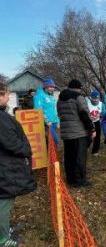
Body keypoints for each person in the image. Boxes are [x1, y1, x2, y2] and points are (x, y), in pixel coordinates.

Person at [0, 82, 37, 247]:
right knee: (4, 202)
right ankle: (3, 239)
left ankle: (4, 229)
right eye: (7, 94)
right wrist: (26, 149)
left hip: (6, 166)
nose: (9, 97)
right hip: (6, 168)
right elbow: (10, 142)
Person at [57, 79, 96, 187]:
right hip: (78, 132)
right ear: (78, 88)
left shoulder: (60, 99)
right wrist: (91, 129)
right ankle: (80, 181)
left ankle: (71, 179)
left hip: (66, 132)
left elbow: (59, 113)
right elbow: (84, 114)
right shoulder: (79, 97)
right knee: (80, 157)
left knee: (69, 156)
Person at [33, 78, 60, 145]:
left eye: (53, 87)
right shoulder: (39, 95)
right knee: (54, 141)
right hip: (46, 123)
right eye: (50, 87)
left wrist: (57, 120)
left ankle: (53, 155)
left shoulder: (50, 96)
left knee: (52, 143)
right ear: (45, 86)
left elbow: (54, 109)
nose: (52, 89)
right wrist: (47, 121)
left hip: (53, 122)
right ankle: (50, 155)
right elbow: (38, 110)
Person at [86, 91, 106, 156]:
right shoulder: (87, 104)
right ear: (91, 98)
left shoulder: (101, 104)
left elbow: (104, 113)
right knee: (89, 136)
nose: (96, 100)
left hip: (97, 121)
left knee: (97, 136)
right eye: (94, 98)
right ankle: (85, 147)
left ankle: (95, 151)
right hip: (89, 122)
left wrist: (102, 116)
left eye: (97, 98)